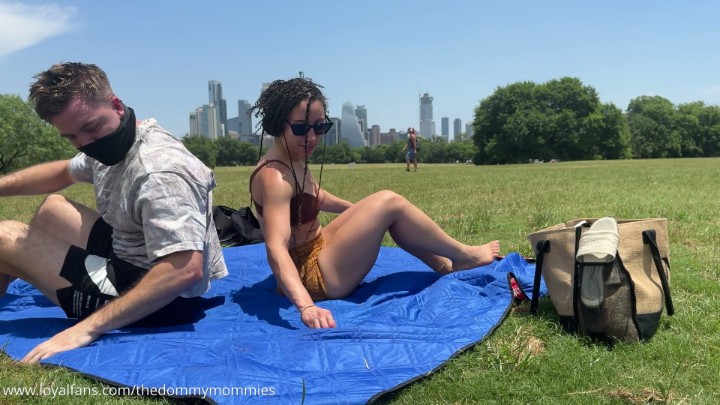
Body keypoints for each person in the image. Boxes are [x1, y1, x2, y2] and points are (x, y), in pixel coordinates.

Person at [0, 62, 228, 363]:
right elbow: (63, 172)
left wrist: (88, 328)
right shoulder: (116, 140)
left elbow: (184, 270)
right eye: (71, 137)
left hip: (162, 298)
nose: (85, 143)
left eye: (90, 128)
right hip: (128, 253)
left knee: (5, 238)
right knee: (53, 209)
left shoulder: (160, 170)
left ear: (116, 106)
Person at [248, 78, 500, 329]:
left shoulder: (292, 155)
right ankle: (463, 255)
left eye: (320, 127)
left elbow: (316, 195)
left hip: (318, 248)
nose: (312, 137)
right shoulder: (275, 178)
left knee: (384, 209)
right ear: (277, 124)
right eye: (301, 128)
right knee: (389, 203)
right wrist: (306, 306)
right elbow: (276, 248)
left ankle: (447, 264)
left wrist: (359, 211)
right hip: (313, 277)